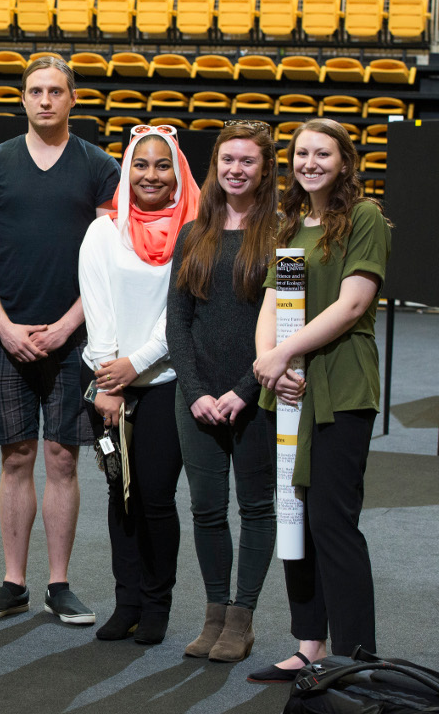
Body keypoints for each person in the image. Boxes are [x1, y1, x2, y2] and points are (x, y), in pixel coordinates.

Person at [0, 56, 119, 623]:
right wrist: (4, 326)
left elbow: (109, 262)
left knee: (62, 458)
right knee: (16, 457)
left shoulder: (101, 167)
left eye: (56, 91)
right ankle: (13, 581)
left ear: (73, 98)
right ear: (23, 99)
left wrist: (69, 325)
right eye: (35, 91)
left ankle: (58, 584)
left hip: (76, 339)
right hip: (8, 333)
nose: (46, 99)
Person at [248, 119, 391, 682]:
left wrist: (283, 356)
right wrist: (268, 362)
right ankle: (310, 645)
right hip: (286, 387)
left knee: (333, 521)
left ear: (345, 161)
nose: (310, 162)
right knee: (296, 519)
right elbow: (270, 305)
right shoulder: (290, 223)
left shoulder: (364, 217)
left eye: (322, 153)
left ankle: (358, 660)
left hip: (341, 382)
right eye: (302, 153)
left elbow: (353, 304)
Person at [79, 124, 199, 645]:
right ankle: (125, 600)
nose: (151, 174)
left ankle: (156, 604)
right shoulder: (103, 231)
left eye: (162, 165)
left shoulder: (196, 233)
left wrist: (139, 363)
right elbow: (97, 306)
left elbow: (182, 315)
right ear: (127, 170)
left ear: (178, 174)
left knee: (153, 495)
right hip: (109, 386)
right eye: (141, 165)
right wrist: (109, 377)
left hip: (167, 381)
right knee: (117, 493)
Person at [167, 122, 278, 661]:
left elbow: (287, 327)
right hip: (197, 399)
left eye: (248, 162)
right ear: (215, 166)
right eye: (228, 160)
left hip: (256, 397)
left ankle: (242, 619)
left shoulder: (283, 234)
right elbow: (177, 324)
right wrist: (194, 391)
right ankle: (214, 614)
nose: (236, 170)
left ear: (265, 168)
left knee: (256, 508)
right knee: (207, 509)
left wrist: (243, 391)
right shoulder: (194, 233)